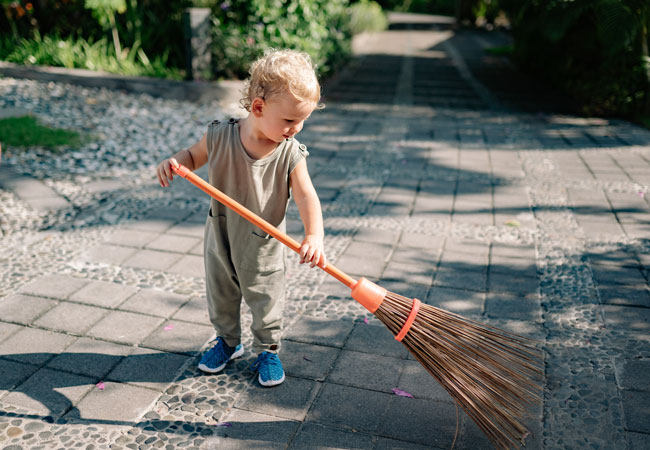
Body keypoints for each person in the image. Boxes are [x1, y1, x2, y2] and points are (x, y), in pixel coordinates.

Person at [156, 49, 327, 387]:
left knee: (265, 298)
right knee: (221, 293)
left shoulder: (289, 152)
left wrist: (314, 236)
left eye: (302, 120)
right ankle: (227, 341)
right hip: (220, 234)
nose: (297, 128)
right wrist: (175, 163)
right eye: (290, 120)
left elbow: (307, 195)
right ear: (259, 108)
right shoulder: (220, 135)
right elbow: (192, 156)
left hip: (263, 244)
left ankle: (268, 349)